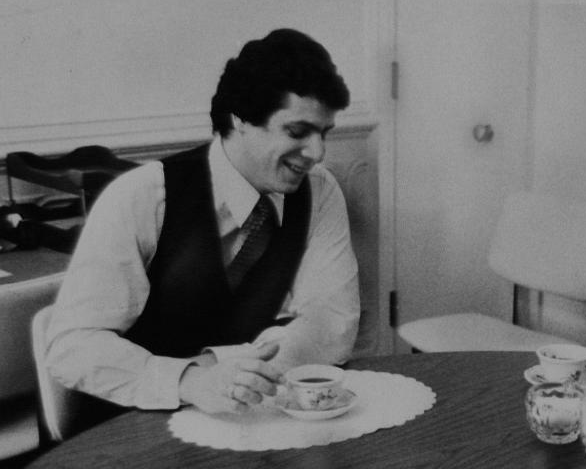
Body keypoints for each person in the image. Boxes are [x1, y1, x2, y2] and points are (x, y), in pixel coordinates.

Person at [45, 28, 361, 419]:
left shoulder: (319, 192)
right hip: (134, 425)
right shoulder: (143, 196)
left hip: (250, 421)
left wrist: (230, 368)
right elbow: (72, 347)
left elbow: (333, 322)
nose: (317, 152)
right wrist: (192, 381)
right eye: (297, 132)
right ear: (240, 118)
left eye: (324, 133)